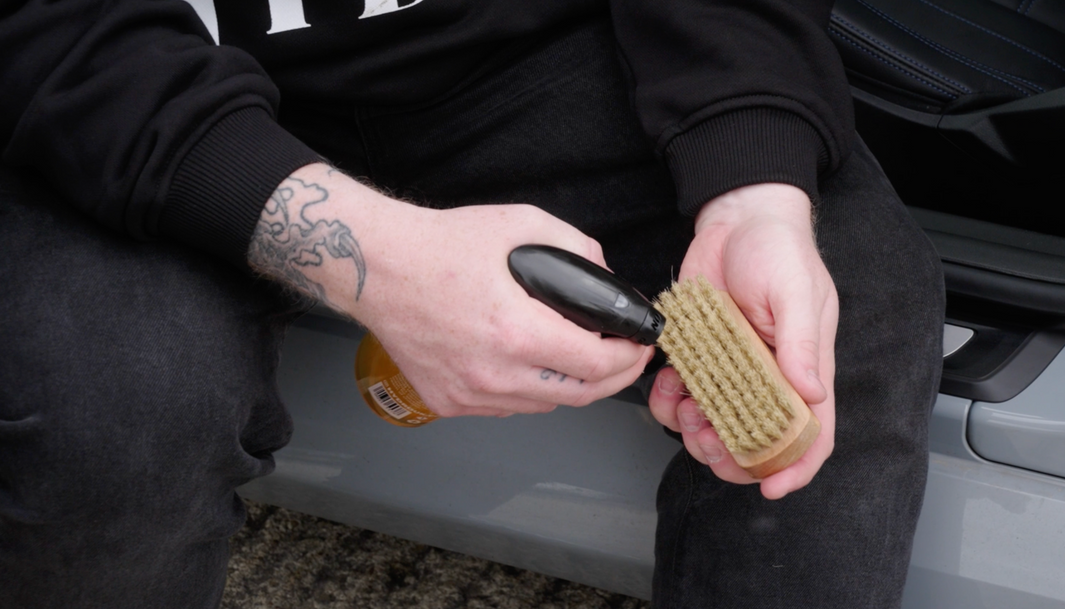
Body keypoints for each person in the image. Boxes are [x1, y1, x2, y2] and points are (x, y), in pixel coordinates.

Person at [0, 1, 944, 607]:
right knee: (110, 404)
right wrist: (381, 263)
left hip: (529, 45)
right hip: (136, 73)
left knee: (835, 314)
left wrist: (753, 177)